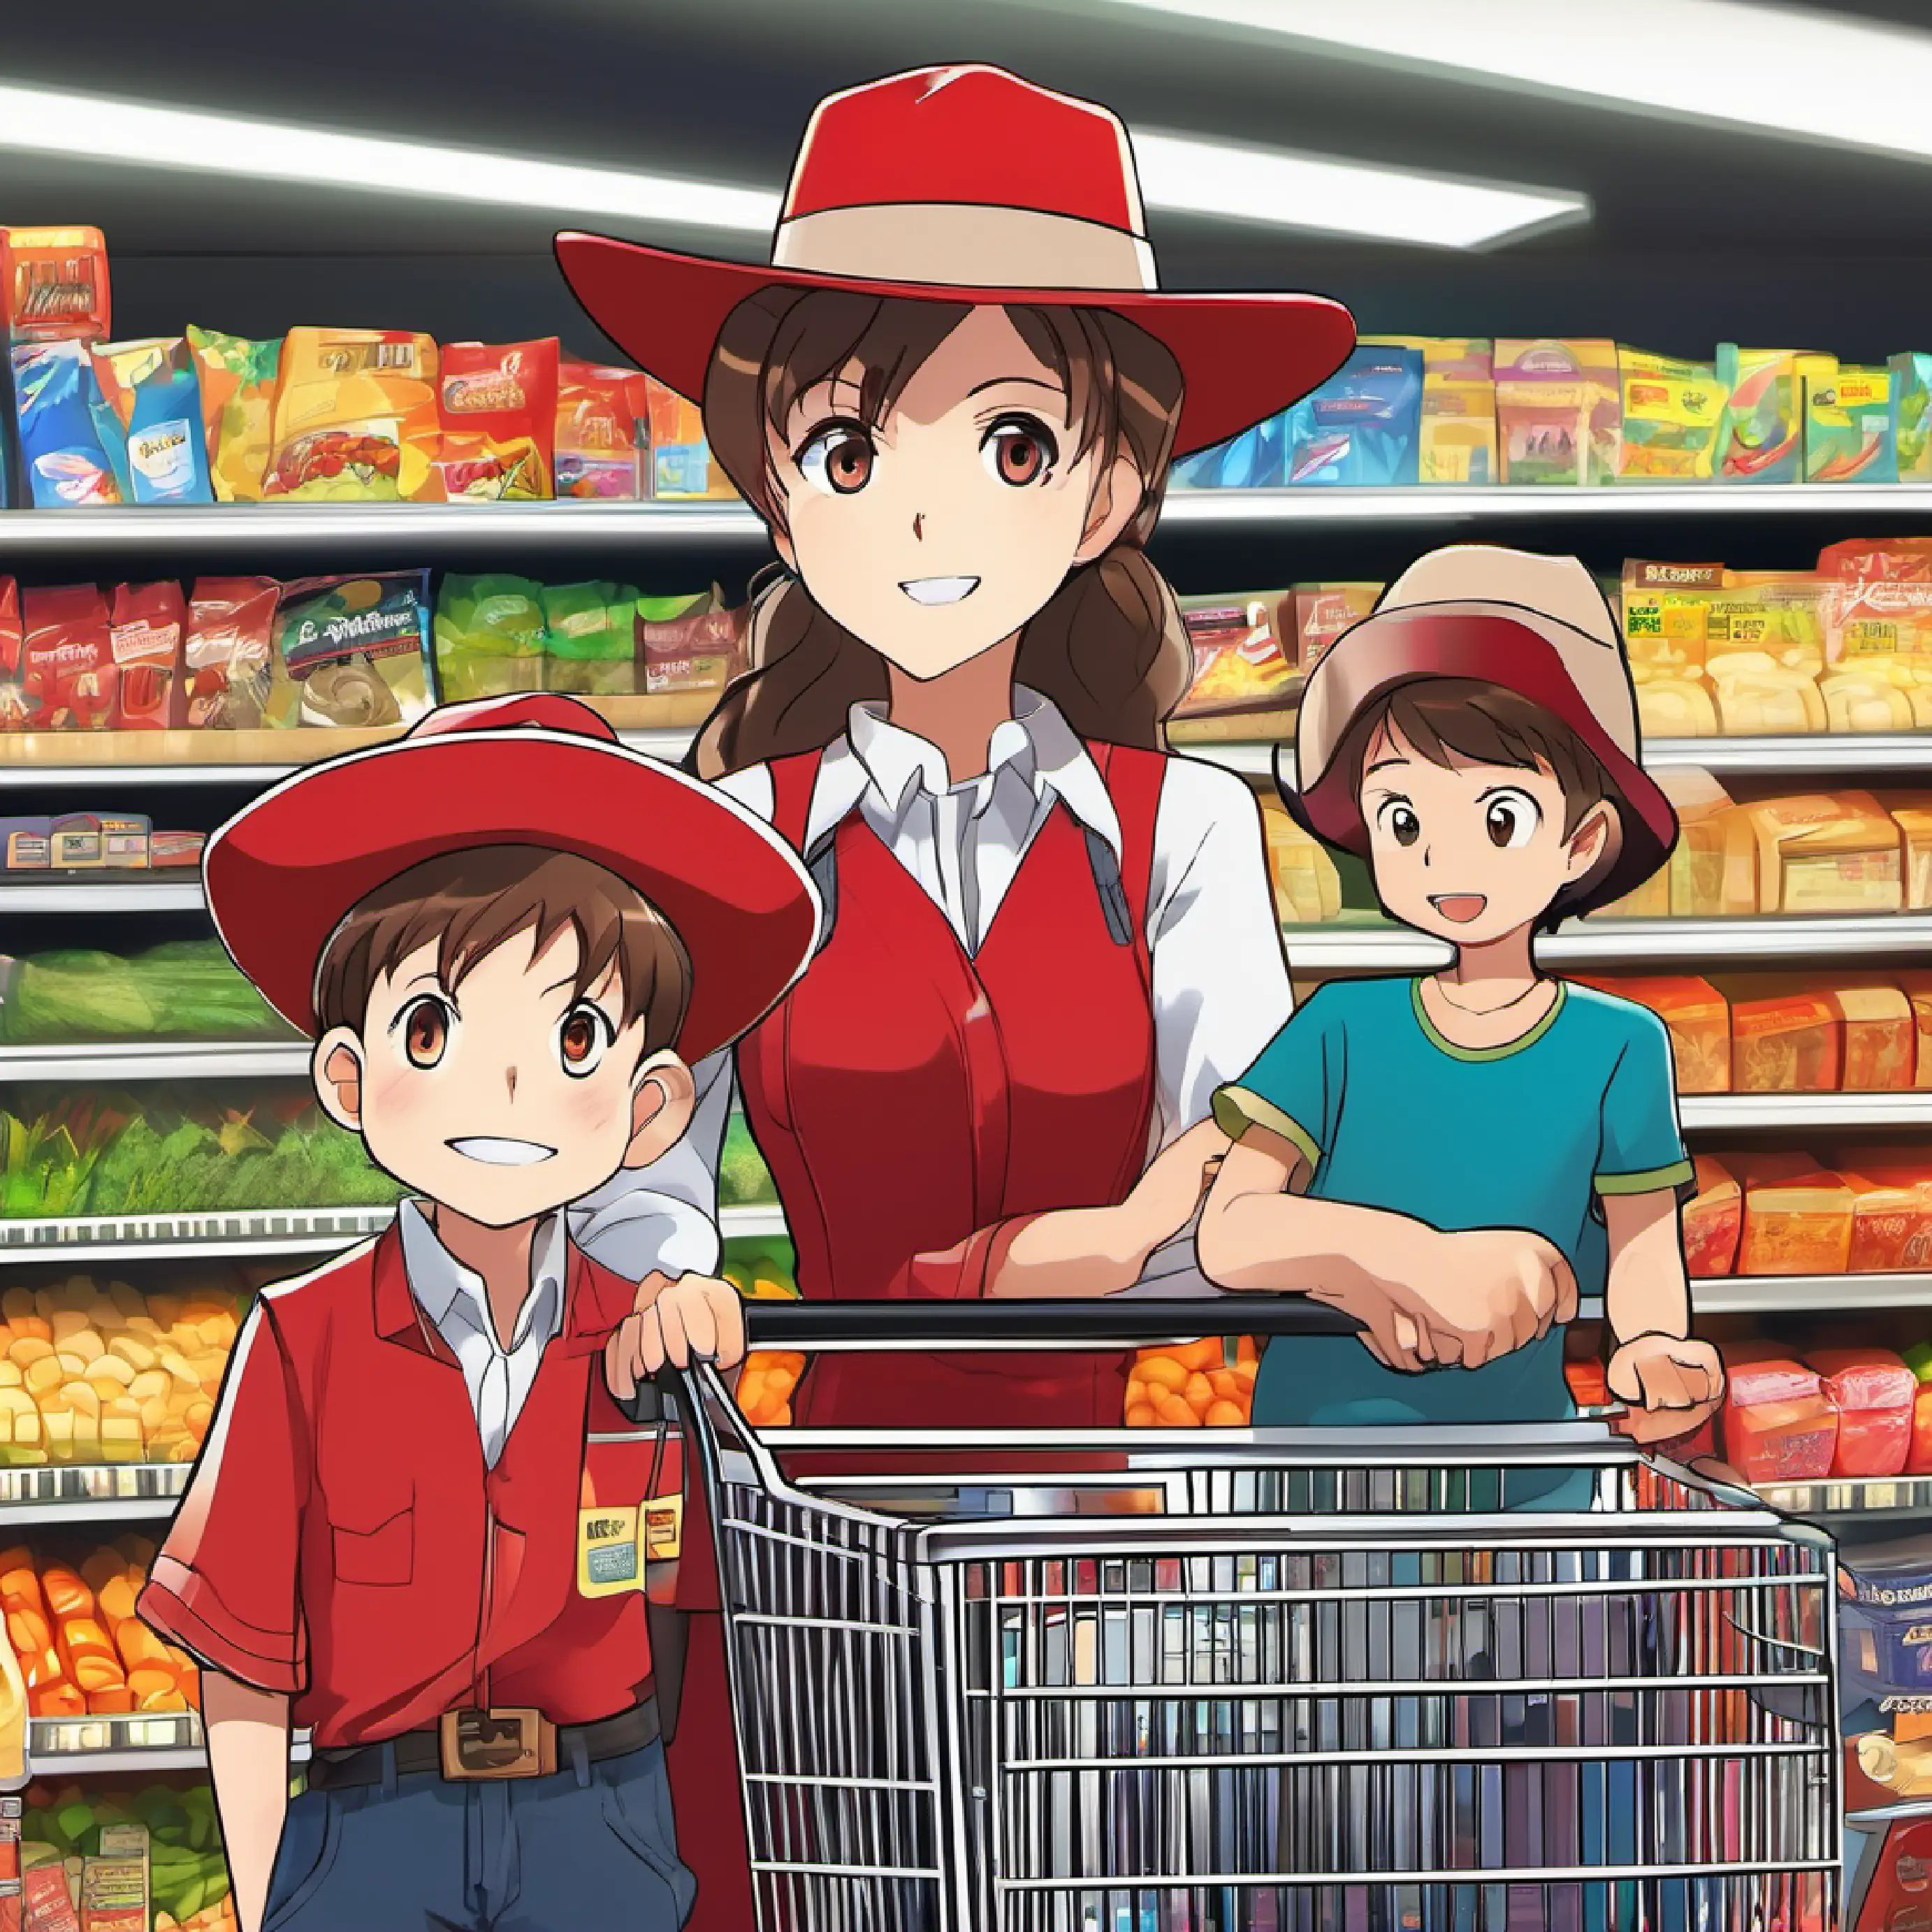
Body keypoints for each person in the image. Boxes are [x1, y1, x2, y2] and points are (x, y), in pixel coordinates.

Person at [553, 60, 1359, 1925]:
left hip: (1090, 1532)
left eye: (1007, 444)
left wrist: (1190, 1226)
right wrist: (665, 1272)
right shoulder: (736, 840)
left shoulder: (1182, 836)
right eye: (851, 449)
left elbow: (1247, 1157)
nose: (929, 514)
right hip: (807, 1527)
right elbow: (648, 1167)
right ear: (773, 482)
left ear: (1107, 485)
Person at [134, 693, 819, 1932]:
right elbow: (241, 1669)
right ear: (348, 1077)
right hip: (368, 1834)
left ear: (652, 1104)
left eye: (573, 1035)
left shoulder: (650, 1346)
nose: (503, 1084)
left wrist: (708, 1348)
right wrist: (256, 1899)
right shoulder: (303, 1340)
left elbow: (722, 1637)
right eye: (435, 1025)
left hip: (600, 1817)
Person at [1197, 542, 1727, 1483]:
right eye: (1404, 820)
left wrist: (1651, 1348)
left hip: (1525, 1473)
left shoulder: (1618, 1047)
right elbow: (1231, 1231)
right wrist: (1392, 1258)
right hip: (1323, 1470)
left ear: (1583, 841)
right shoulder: (1338, 1031)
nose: (1447, 861)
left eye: (1499, 820)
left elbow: (1645, 1244)